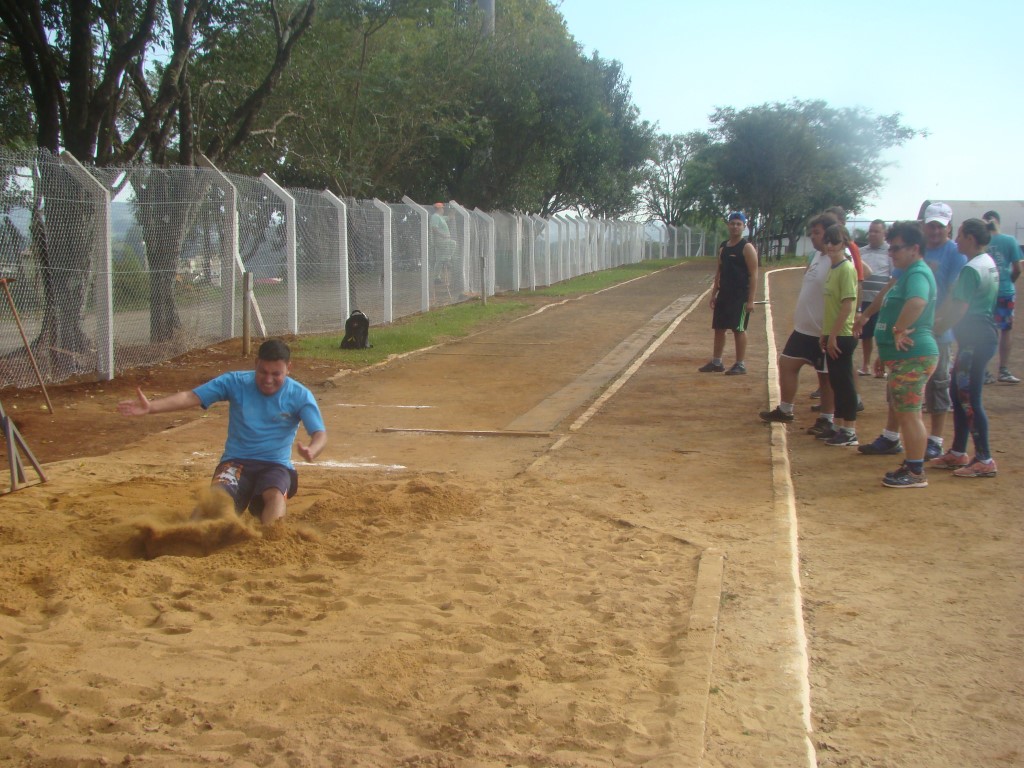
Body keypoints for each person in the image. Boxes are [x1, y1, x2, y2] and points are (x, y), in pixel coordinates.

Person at [117, 339, 327, 524]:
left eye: (276, 374)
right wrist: (151, 407)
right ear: (256, 364)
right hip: (235, 462)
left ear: (288, 368)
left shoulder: (300, 395)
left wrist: (312, 450)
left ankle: (271, 540)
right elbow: (191, 397)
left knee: (274, 494)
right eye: (263, 372)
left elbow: (319, 434)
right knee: (217, 498)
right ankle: (187, 535)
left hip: (275, 465)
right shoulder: (235, 382)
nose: (268, 379)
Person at [929, 218, 999, 477]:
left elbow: (959, 308)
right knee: (959, 393)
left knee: (969, 397)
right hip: (980, 337)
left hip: (975, 340)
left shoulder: (971, 268)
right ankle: (959, 451)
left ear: (970, 238)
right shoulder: (985, 262)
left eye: (959, 235)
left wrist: (938, 327)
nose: (956, 240)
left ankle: (984, 458)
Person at [875, 221, 938, 488]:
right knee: (905, 412)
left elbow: (917, 301)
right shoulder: (909, 272)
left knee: (910, 414)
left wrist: (898, 330)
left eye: (896, 248)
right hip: (906, 356)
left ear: (915, 248)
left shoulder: (917, 273)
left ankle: (915, 472)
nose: (891, 253)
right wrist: (885, 350)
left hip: (914, 354)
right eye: (890, 248)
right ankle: (912, 465)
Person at [760, 212, 838, 426]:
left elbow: (858, 278)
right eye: (811, 232)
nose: (812, 237)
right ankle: (786, 409)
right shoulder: (817, 256)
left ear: (829, 234)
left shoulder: (838, 259)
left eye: (817, 233)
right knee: (787, 363)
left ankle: (827, 418)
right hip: (804, 328)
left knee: (825, 376)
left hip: (823, 329)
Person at [920, 202, 967, 460]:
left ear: (949, 227)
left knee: (938, 385)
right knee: (907, 384)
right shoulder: (919, 247)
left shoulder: (955, 253)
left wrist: (939, 323)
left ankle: (936, 440)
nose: (935, 231)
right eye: (931, 226)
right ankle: (898, 435)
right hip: (915, 328)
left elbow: (953, 293)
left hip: (939, 331)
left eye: (940, 226)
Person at [699, 211, 758, 375]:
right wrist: (713, 294)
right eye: (732, 223)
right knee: (719, 328)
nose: (735, 227)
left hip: (740, 296)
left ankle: (740, 364)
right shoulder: (724, 247)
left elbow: (754, 274)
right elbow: (719, 271)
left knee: (738, 329)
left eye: (739, 224)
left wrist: (751, 300)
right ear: (728, 225)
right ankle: (717, 362)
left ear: (744, 227)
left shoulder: (747, 248)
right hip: (724, 294)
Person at [819, 223, 860, 446]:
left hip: (842, 334)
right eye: (827, 241)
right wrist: (825, 333)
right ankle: (838, 425)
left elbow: (847, 305)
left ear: (844, 244)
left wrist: (833, 335)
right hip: (833, 333)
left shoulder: (846, 269)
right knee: (836, 381)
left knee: (844, 383)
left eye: (835, 242)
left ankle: (849, 430)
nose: (830, 246)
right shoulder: (833, 268)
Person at [981, 210, 1022, 383]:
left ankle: (983, 371)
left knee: (985, 330)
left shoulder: (982, 242)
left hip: (986, 292)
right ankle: (1003, 370)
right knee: (1006, 329)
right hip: (1005, 290)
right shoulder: (1009, 241)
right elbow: (1017, 269)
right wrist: (1008, 282)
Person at [857, 219, 892, 375]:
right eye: (871, 231)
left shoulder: (890, 252)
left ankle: (881, 366)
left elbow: (893, 277)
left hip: (881, 302)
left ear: (884, 233)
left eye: (876, 231)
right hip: (864, 299)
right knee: (866, 335)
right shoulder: (861, 251)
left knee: (881, 334)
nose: (872, 234)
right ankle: (866, 365)